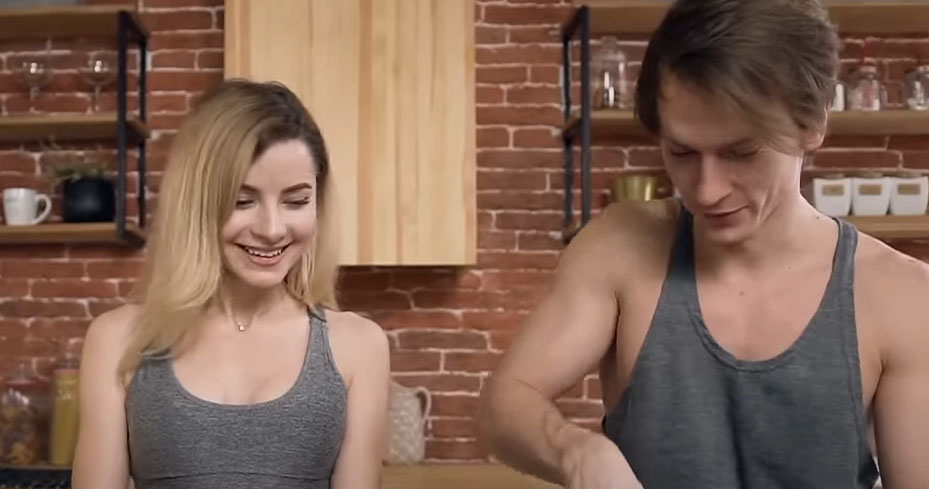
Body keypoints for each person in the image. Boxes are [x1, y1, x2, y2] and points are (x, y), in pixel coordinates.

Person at [479, 0, 929, 488]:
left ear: (812, 124)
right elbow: (505, 403)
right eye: (682, 152)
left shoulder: (901, 297)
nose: (707, 189)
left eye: (741, 151)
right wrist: (578, 453)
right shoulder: (620, 249)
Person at [71, 80, 390, 489]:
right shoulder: (117, 340)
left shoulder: (359, 346)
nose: (272, 229)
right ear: (197, 203)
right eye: (243, 201)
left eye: (295, 201)